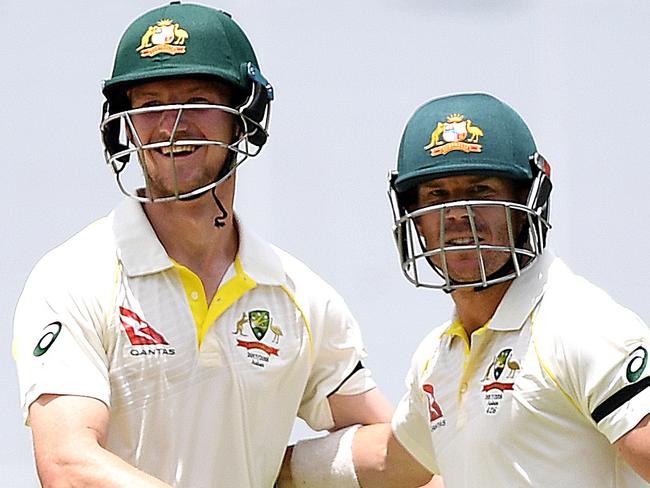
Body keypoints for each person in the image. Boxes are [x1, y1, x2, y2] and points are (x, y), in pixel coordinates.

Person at [12, 3, 398, 487]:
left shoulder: (301, 297)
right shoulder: (73, 277)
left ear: (245, 117)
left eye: (196, 101)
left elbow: (389, 444)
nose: (171, 125)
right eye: (150, 105)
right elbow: (68, 466)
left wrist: (290, 472)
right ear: (124, 125)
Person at [285, 92, 650, 487]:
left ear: (527, 201)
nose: (456, 213)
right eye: (436, 195)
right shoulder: (437, 358)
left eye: (480, 190)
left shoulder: (583, 326)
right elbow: (393, 459)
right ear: (413, 220)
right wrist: (256, 462)